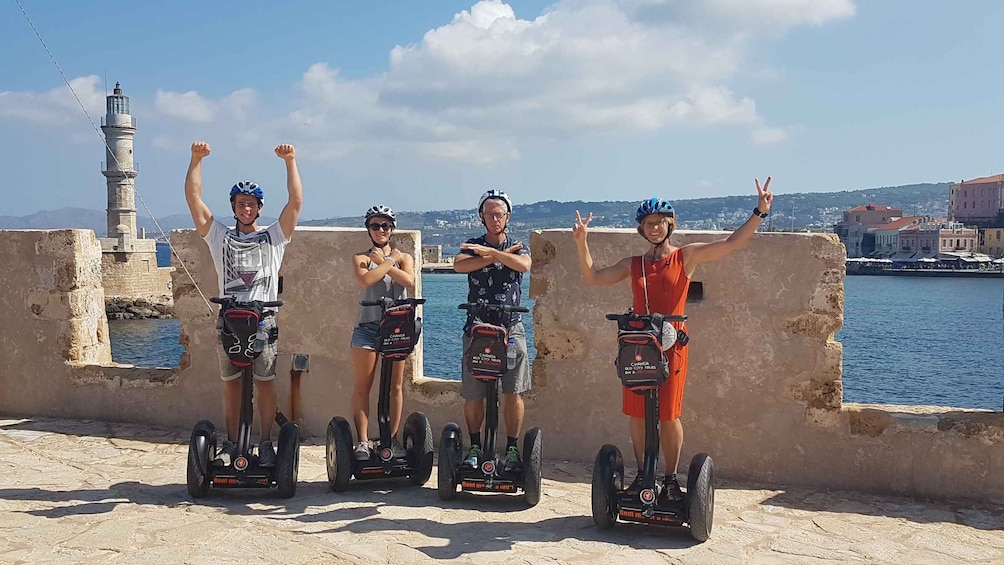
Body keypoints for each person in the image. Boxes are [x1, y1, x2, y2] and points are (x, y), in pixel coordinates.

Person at [573, 178, 773, 500]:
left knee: (668, 414)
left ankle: (668, 478)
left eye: (659, 223)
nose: (654, 228)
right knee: (637, 414)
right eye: (648, 224)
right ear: (642, 229)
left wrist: (759, 212)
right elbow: (593, 277)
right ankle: (642, 475)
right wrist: (582, 243)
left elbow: (732, 244)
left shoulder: (686, 257)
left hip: (672, 347)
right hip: (638, 346)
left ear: (670, 225)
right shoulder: (634, 264)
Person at [184, 141, 303, 468]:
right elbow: (194, 200)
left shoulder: (275, 237)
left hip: (263, 321)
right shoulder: (219, 236)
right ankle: (234, 441)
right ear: (234, 207)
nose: (246, 209)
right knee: (232, 385)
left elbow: (295, 202)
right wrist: (197, 160)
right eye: (240, 204)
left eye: (251, 204)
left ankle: (264, 443)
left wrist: (290, 161)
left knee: (265, 384)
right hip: (230, 320)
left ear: (259, 208)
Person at [454, 189, 533, 472]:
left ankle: (512, 448)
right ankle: (475, 445)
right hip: (477, 327)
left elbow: (523, 264)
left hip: (510, 327)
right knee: (474, 392)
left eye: (499, 213)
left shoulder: (518, 246)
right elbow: (459, 265)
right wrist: (495, 255)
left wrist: (489, 254)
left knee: (513, 391)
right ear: (481, 217)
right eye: (489, 213)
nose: (495, 218)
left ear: (507, 216)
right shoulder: (471, 245)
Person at [349, 205, 416, 460]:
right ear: (368, 228)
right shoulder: (361, 258)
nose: (380, 230)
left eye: (385, 226)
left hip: (396, 328)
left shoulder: (405, 257)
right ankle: (363, 442)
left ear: (392, 229)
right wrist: (387, 261)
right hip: (367, 327)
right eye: (375, 226)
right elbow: (365, 281)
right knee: (362, 386)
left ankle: (392, 439)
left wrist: (384, 263)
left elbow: (408, 281)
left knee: (395, 386)